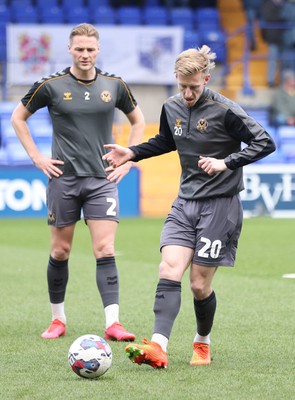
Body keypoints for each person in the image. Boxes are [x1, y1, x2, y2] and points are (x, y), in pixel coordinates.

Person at [102, 45, 276, 368]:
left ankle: (202, 341)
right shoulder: (172, 107)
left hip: (220, 207)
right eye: (182, 86)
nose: (188, 93)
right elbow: (168, 141)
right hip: (185, 202)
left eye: (194, 87)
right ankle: (158, 346)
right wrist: (133, 153)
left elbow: (265, 141)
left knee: (198, 284)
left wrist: (227, 163)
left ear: (206, 78)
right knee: (169, 268)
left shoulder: (225, 110)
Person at [10, 23, 145, 340]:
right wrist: (37, 158)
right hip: (64, 180)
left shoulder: (115, 85)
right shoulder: (51, 86)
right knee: (60, 251)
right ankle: (58, 319)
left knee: (105, 248)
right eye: (80, 49)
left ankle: (113, 323)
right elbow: (18, 118)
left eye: (90, 49)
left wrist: (130, 157)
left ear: (98, 51)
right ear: (70, 50)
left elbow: (137, 121)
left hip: (102, 180)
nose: (85, 54)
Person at [260, 0, 286, 87]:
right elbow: (268, 17)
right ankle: (270, 81)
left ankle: (284, 81)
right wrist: (282, 15)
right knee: (272, 60)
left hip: (284, 38)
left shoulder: (285, 5)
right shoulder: (268, 5)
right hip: (273, 38)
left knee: (284, 61)